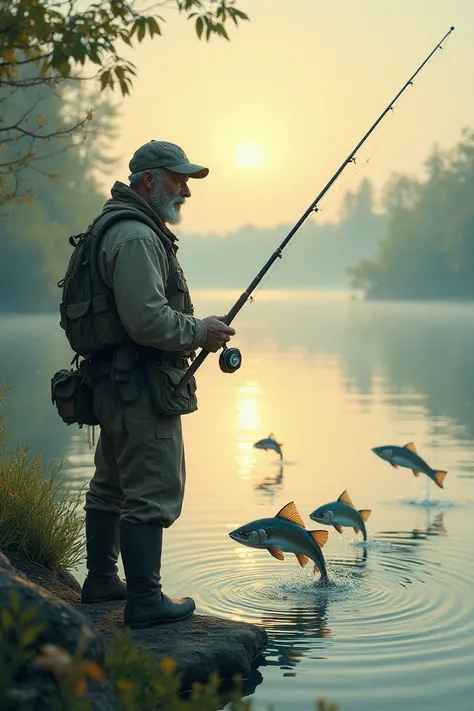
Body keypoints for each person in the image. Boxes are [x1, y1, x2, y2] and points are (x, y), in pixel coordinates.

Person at [79, 140, 235, 629]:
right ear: (149, 179)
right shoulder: (138, 237)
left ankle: (102, 580)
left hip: (113, 384)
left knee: (111, 485)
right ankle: (145, 601)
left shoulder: (116, 227)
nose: (185, 190)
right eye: (178, 179)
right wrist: (201, 332)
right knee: (151, 491)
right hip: (142, 386)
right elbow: (147, 321)